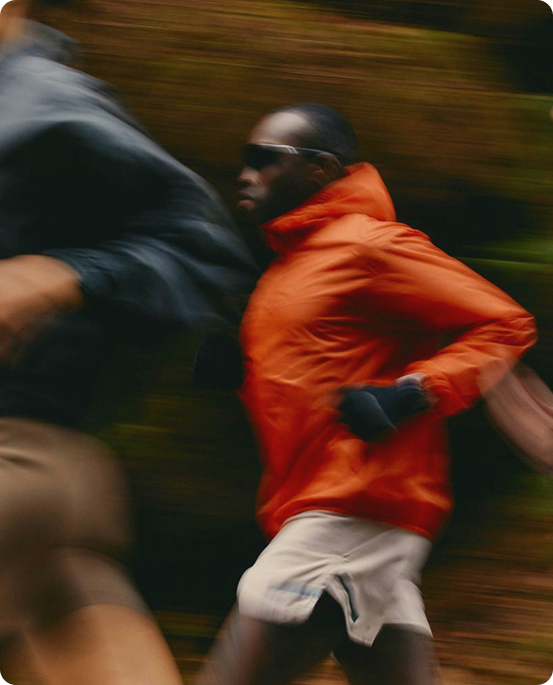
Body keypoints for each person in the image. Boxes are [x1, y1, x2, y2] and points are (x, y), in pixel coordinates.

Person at [193, 102, 537, 685]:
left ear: (321, 171)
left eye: (263, 160)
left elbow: (504, 324)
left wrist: (412, 392)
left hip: (352, 508)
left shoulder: (370, 246)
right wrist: (243, 374)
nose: (244, 174)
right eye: (243, 162)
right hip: (326, 506)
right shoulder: (290, 267)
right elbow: (317, 383)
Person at [0, 1, 257, 684]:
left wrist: (59, 275)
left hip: (23, 457)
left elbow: (202, 248)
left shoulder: (47, 103)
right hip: (50, 501)